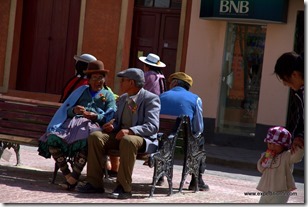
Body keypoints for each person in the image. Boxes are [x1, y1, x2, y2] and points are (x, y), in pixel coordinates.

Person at [76, 68, 161, 199]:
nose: (120, 83)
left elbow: (152, 126)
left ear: (131, 83)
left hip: (142, 139)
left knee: (128, 140)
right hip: (121, 135)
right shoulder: (123, 98)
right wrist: (112, 125)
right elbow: (117, 120)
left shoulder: (150, 99)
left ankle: (123, 187)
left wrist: (131, 131)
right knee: (95, 137)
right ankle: (94, 183)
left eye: (123, 81)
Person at [38, 60, 116, 190]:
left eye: (101, 77)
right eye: (95, 78)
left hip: (92, 126)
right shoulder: (81, 91)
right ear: (89, 80)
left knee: (87, 142)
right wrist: (74, 110)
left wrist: (96, 116)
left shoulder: (108, 95)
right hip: (72, 125)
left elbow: (111, 114)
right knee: (52, 138)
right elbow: (66, 109)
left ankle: (73, 178)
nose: (98, 81)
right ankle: (68, 175)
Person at [159, 72, 209, 191]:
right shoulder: (195, 99)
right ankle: (196, 180)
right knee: (200, 140)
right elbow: (198, 127)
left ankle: (160, 176)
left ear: (175, 83)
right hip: (185, 144)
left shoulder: (161, 96)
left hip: (163, 143)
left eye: (171, 82)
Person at [257, 126, 304, 203]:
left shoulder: (287, 156)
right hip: (267, 190)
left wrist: (299, 148)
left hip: (281, 192)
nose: (271, 146)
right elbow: (261, 169)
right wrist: (262, 160)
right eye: (269, 143)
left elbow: (296, 157)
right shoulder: (266, 155)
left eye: (275, 144)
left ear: (284, 145)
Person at [274, 52, 304, 154]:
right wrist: (299, 136)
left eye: (284, 79)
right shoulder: (300, 93)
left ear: (294, 74)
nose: (284, 84)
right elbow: (302, 118)